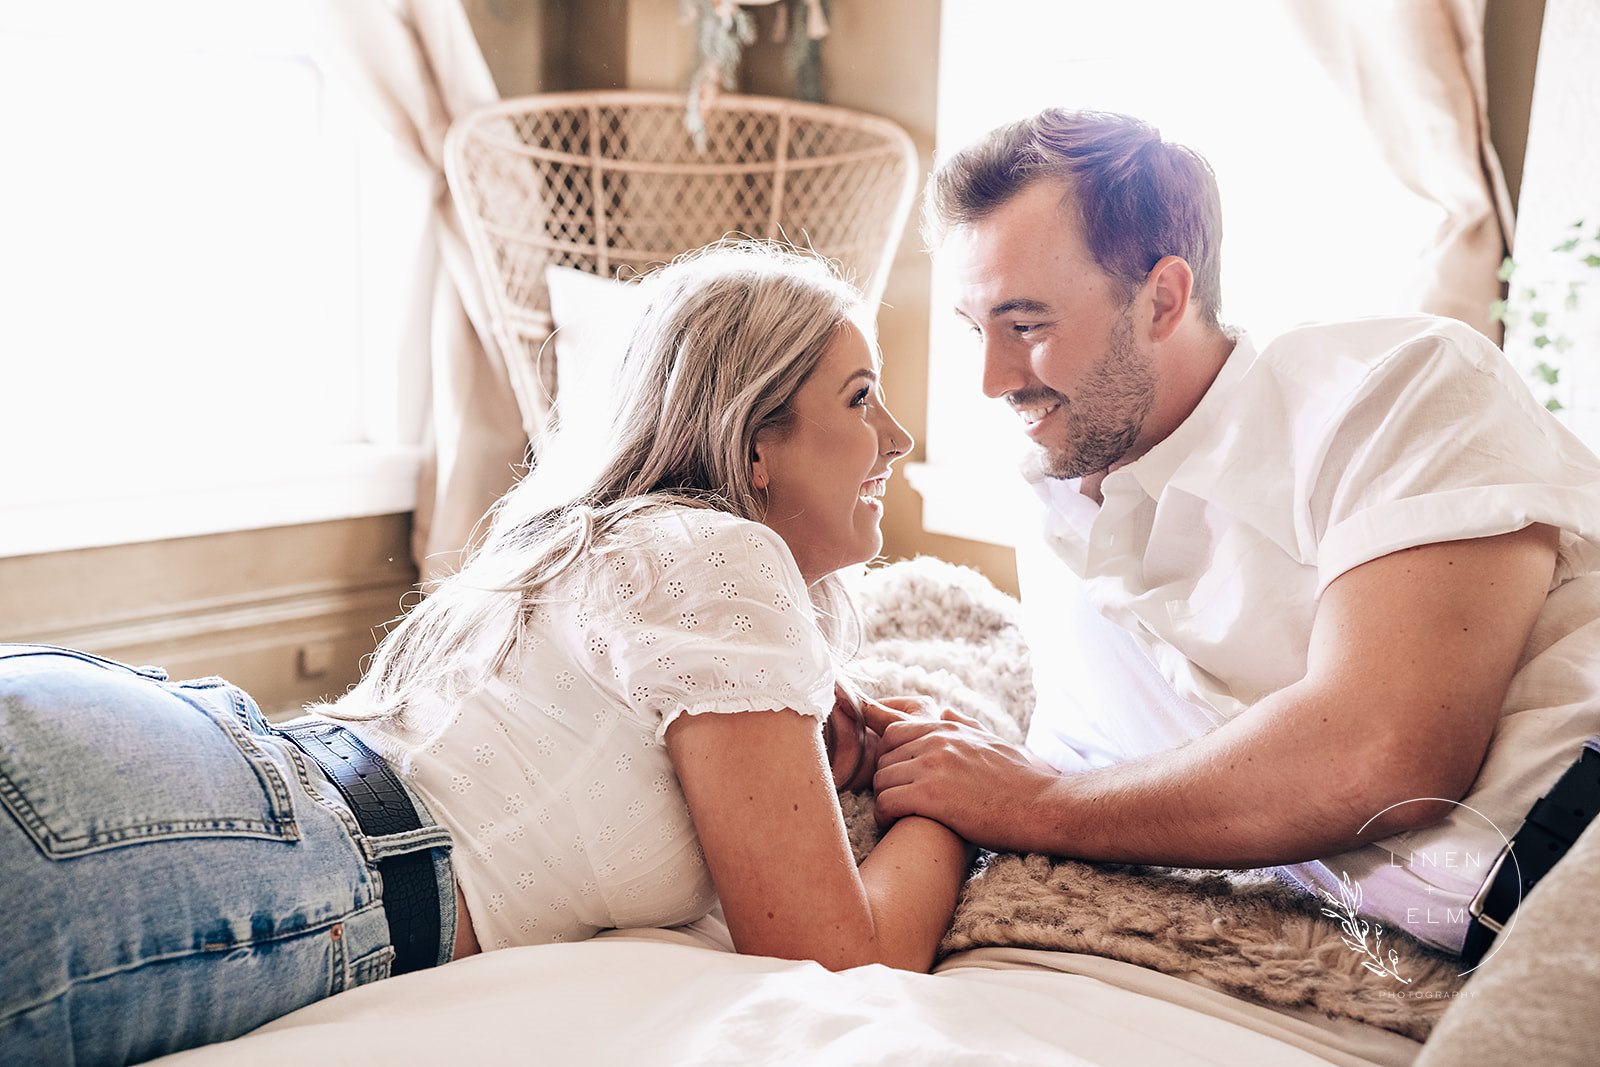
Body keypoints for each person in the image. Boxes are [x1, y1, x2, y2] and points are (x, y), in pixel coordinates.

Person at [0, 242, 972, 1065]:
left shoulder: (615, 541)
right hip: (270, 843)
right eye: (860, 398)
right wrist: (951, 798)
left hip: (199, 764)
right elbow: (833, 956)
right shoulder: (726, 554)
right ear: (755, 442)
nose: (897, 435)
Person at [868, 107, 1600, 961]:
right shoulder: (1058, 511)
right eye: (974, 328)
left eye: (1026, 326)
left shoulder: (1395, 390)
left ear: (1164, 298)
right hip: (1469, 948)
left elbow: (1387, 757)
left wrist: (1038, 805)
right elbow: (1072, 760)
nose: (991, 379)